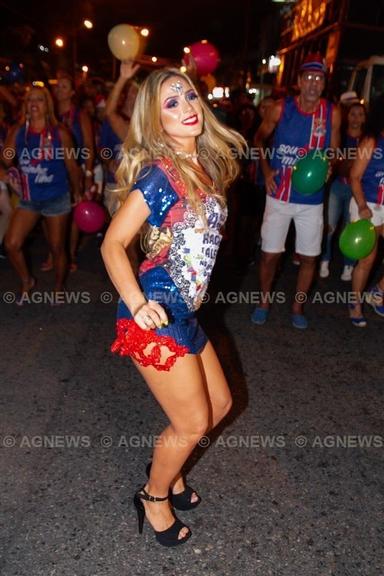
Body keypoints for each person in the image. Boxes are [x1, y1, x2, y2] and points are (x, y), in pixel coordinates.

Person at [101, 67, 245, 546]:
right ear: (155, 121)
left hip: (185, 311)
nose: (186, 107)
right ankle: (154, 494)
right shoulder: (161, 174)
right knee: (192, 422)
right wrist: (137, 303)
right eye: (171, 103)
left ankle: (170, 470)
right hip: (154, 314)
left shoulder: (200, 164)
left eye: (188, 96)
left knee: (221, 403)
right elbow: (113, 244)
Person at [251, 53, 341, 329]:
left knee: (310, 257)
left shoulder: (332, 113)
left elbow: (335, 150)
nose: (314, 84)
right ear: (300, 82)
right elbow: (258, 138)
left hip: (311, 200)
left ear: (324, 84)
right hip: (279, 194)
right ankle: (264, 300)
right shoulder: (281, 108)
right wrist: (265, 170)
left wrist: (330, 166)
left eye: (319, 79)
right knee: (270, 254)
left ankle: (298, 305)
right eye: (309, 78)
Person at [2, 86, 81, 302]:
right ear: (25, 105)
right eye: (29, 100)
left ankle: (58, 286)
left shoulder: (60, 133)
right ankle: (27, 280)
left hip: (57, 196)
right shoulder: (20, 131)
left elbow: (72, 167)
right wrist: (17, 127)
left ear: (48, 105)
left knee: (57, 247)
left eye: (39, 99)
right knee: (11, 243)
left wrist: (78, 192)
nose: (34, 103)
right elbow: (7, 159)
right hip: (29, 198)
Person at [319, 101, 366, 281]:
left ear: (365, 118)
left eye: (360, 114)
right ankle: (325, 259)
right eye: (353, 114)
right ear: (347, 116)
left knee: (350, 227)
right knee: (329, 226)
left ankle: (349, 264)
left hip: (357, 190)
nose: (356, 118)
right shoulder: (339, 136)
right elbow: (330, 156)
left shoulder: (367, 140)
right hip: (337, 186)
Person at [348, 94, 384, 326]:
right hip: (367, 204)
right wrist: (362, 206)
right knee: (367, 259)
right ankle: (355, 302)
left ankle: (377, 291)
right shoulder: (371, 141)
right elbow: (354, 176)